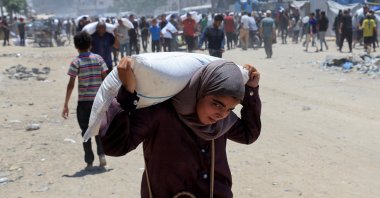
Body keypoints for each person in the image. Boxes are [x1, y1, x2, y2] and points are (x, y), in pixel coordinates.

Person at [99, 55, 261, 197]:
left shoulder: (222, 120)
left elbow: (248, 134)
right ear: (200, 91)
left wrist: (251, 91)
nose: (222, 114)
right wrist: (126, 94)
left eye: (230, 109)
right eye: (216, 104)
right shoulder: (160, 112)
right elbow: (115, 146)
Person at [62, 32, 108, 170]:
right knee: (99, 129)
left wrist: (66, 104)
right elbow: (106, 79)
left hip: (83, 102)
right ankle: (102, 155)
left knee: (85, 131)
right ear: (90, 44)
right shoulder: (99, 59)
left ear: (76, 46)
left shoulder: (76, 62)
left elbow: (71, 84)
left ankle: (89, 161)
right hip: (98, 101)